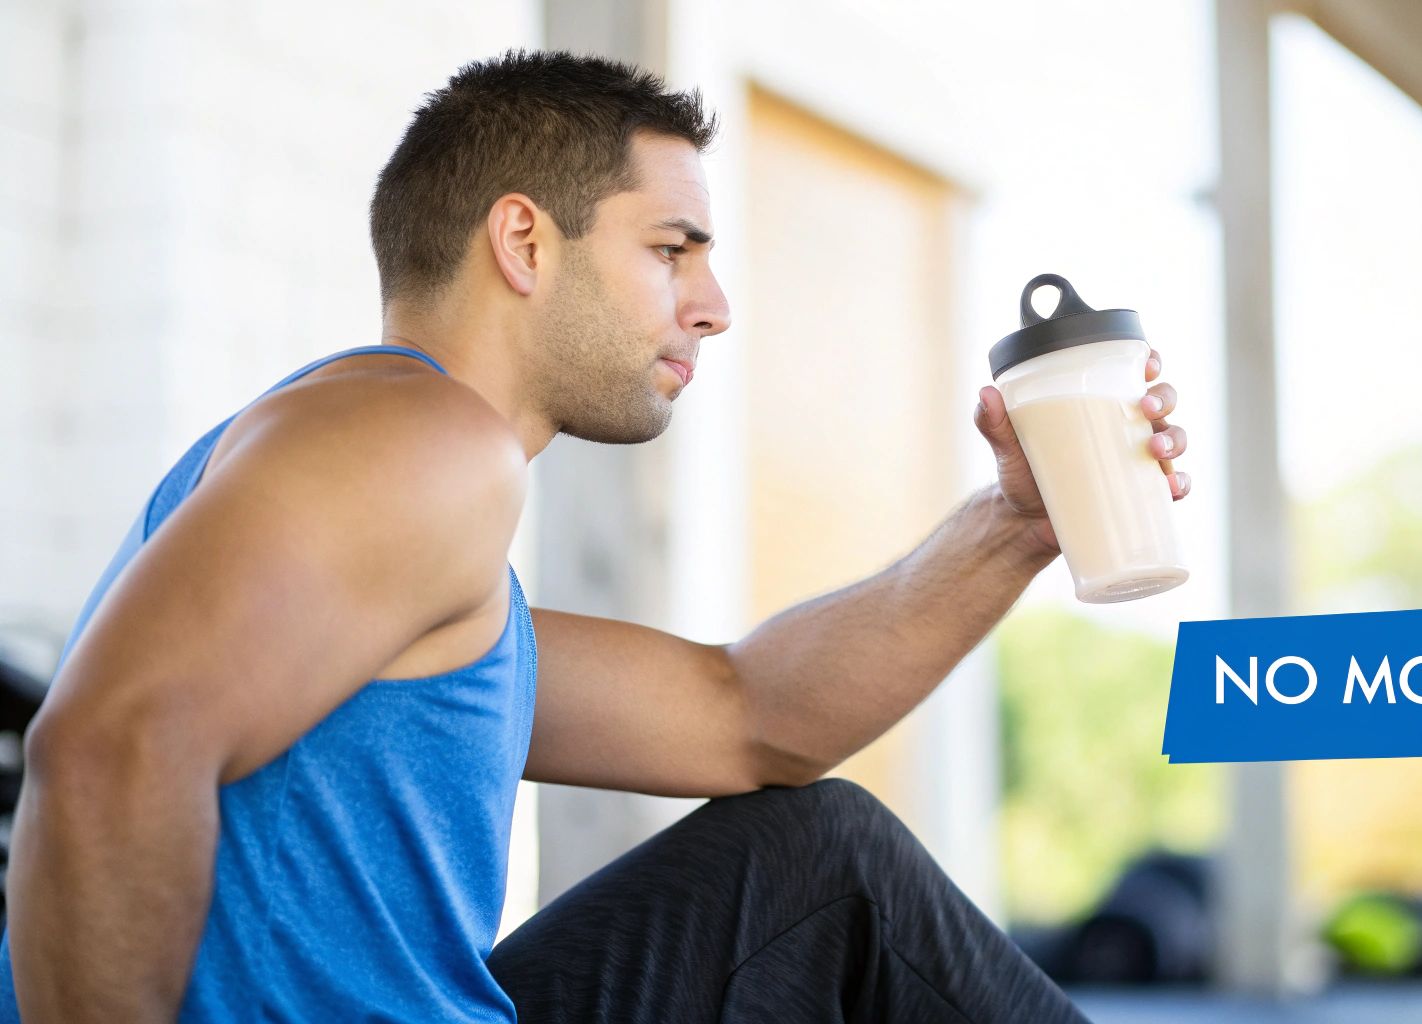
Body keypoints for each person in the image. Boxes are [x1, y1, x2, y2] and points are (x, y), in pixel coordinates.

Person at [0, 51, 1191, 1023]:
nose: (712, 307)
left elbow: (748, 715)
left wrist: (1015, 523)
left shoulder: (369, 492)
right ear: (523, 242)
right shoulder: (419, 442)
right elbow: (104, 750)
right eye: (671, 250)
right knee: (833, 865)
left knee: (816, 847)